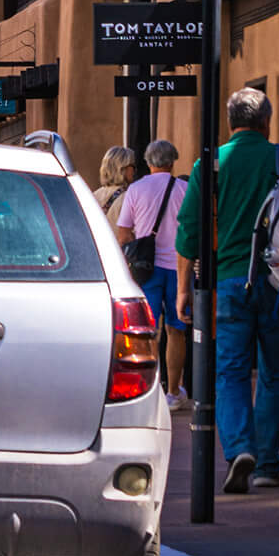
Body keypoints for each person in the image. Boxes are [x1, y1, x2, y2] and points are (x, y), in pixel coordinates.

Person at [175, 87, 279, 493]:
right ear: (267, 121)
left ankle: (239, 449)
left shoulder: (209, 164)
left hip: (229, 281)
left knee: (229, 371)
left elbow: (189, 232)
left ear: (231, 122)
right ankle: (267, 463)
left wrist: (182, 289)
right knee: (274, 372)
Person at [115, 139, 190, 407]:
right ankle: (174, 391)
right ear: (173, 161)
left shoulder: (136, 189)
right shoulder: (185, 189)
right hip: (179, 267)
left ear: (148, 162)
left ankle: (150, 390)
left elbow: (124, 232)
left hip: (146, 269)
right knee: (176, 330)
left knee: (148, 330)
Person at [95, 146, 137, 234]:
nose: (135, 170)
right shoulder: (128, 198)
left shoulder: (93, 195)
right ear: (122, 168)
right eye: (132, 166)